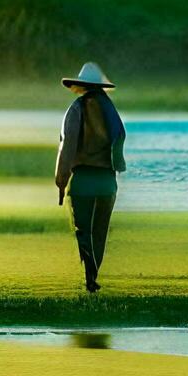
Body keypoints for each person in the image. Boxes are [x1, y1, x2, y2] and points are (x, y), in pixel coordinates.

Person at [55, 62, 126, 293]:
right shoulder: (111, 111)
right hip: (106, 181)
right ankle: (93, 278)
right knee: (99, 234)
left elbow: (67, 147)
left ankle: (89, 277)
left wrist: (61, 180)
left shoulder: (76, 109)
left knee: (83, 231)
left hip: (83, 180)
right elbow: (118, 144)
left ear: (82, 85)